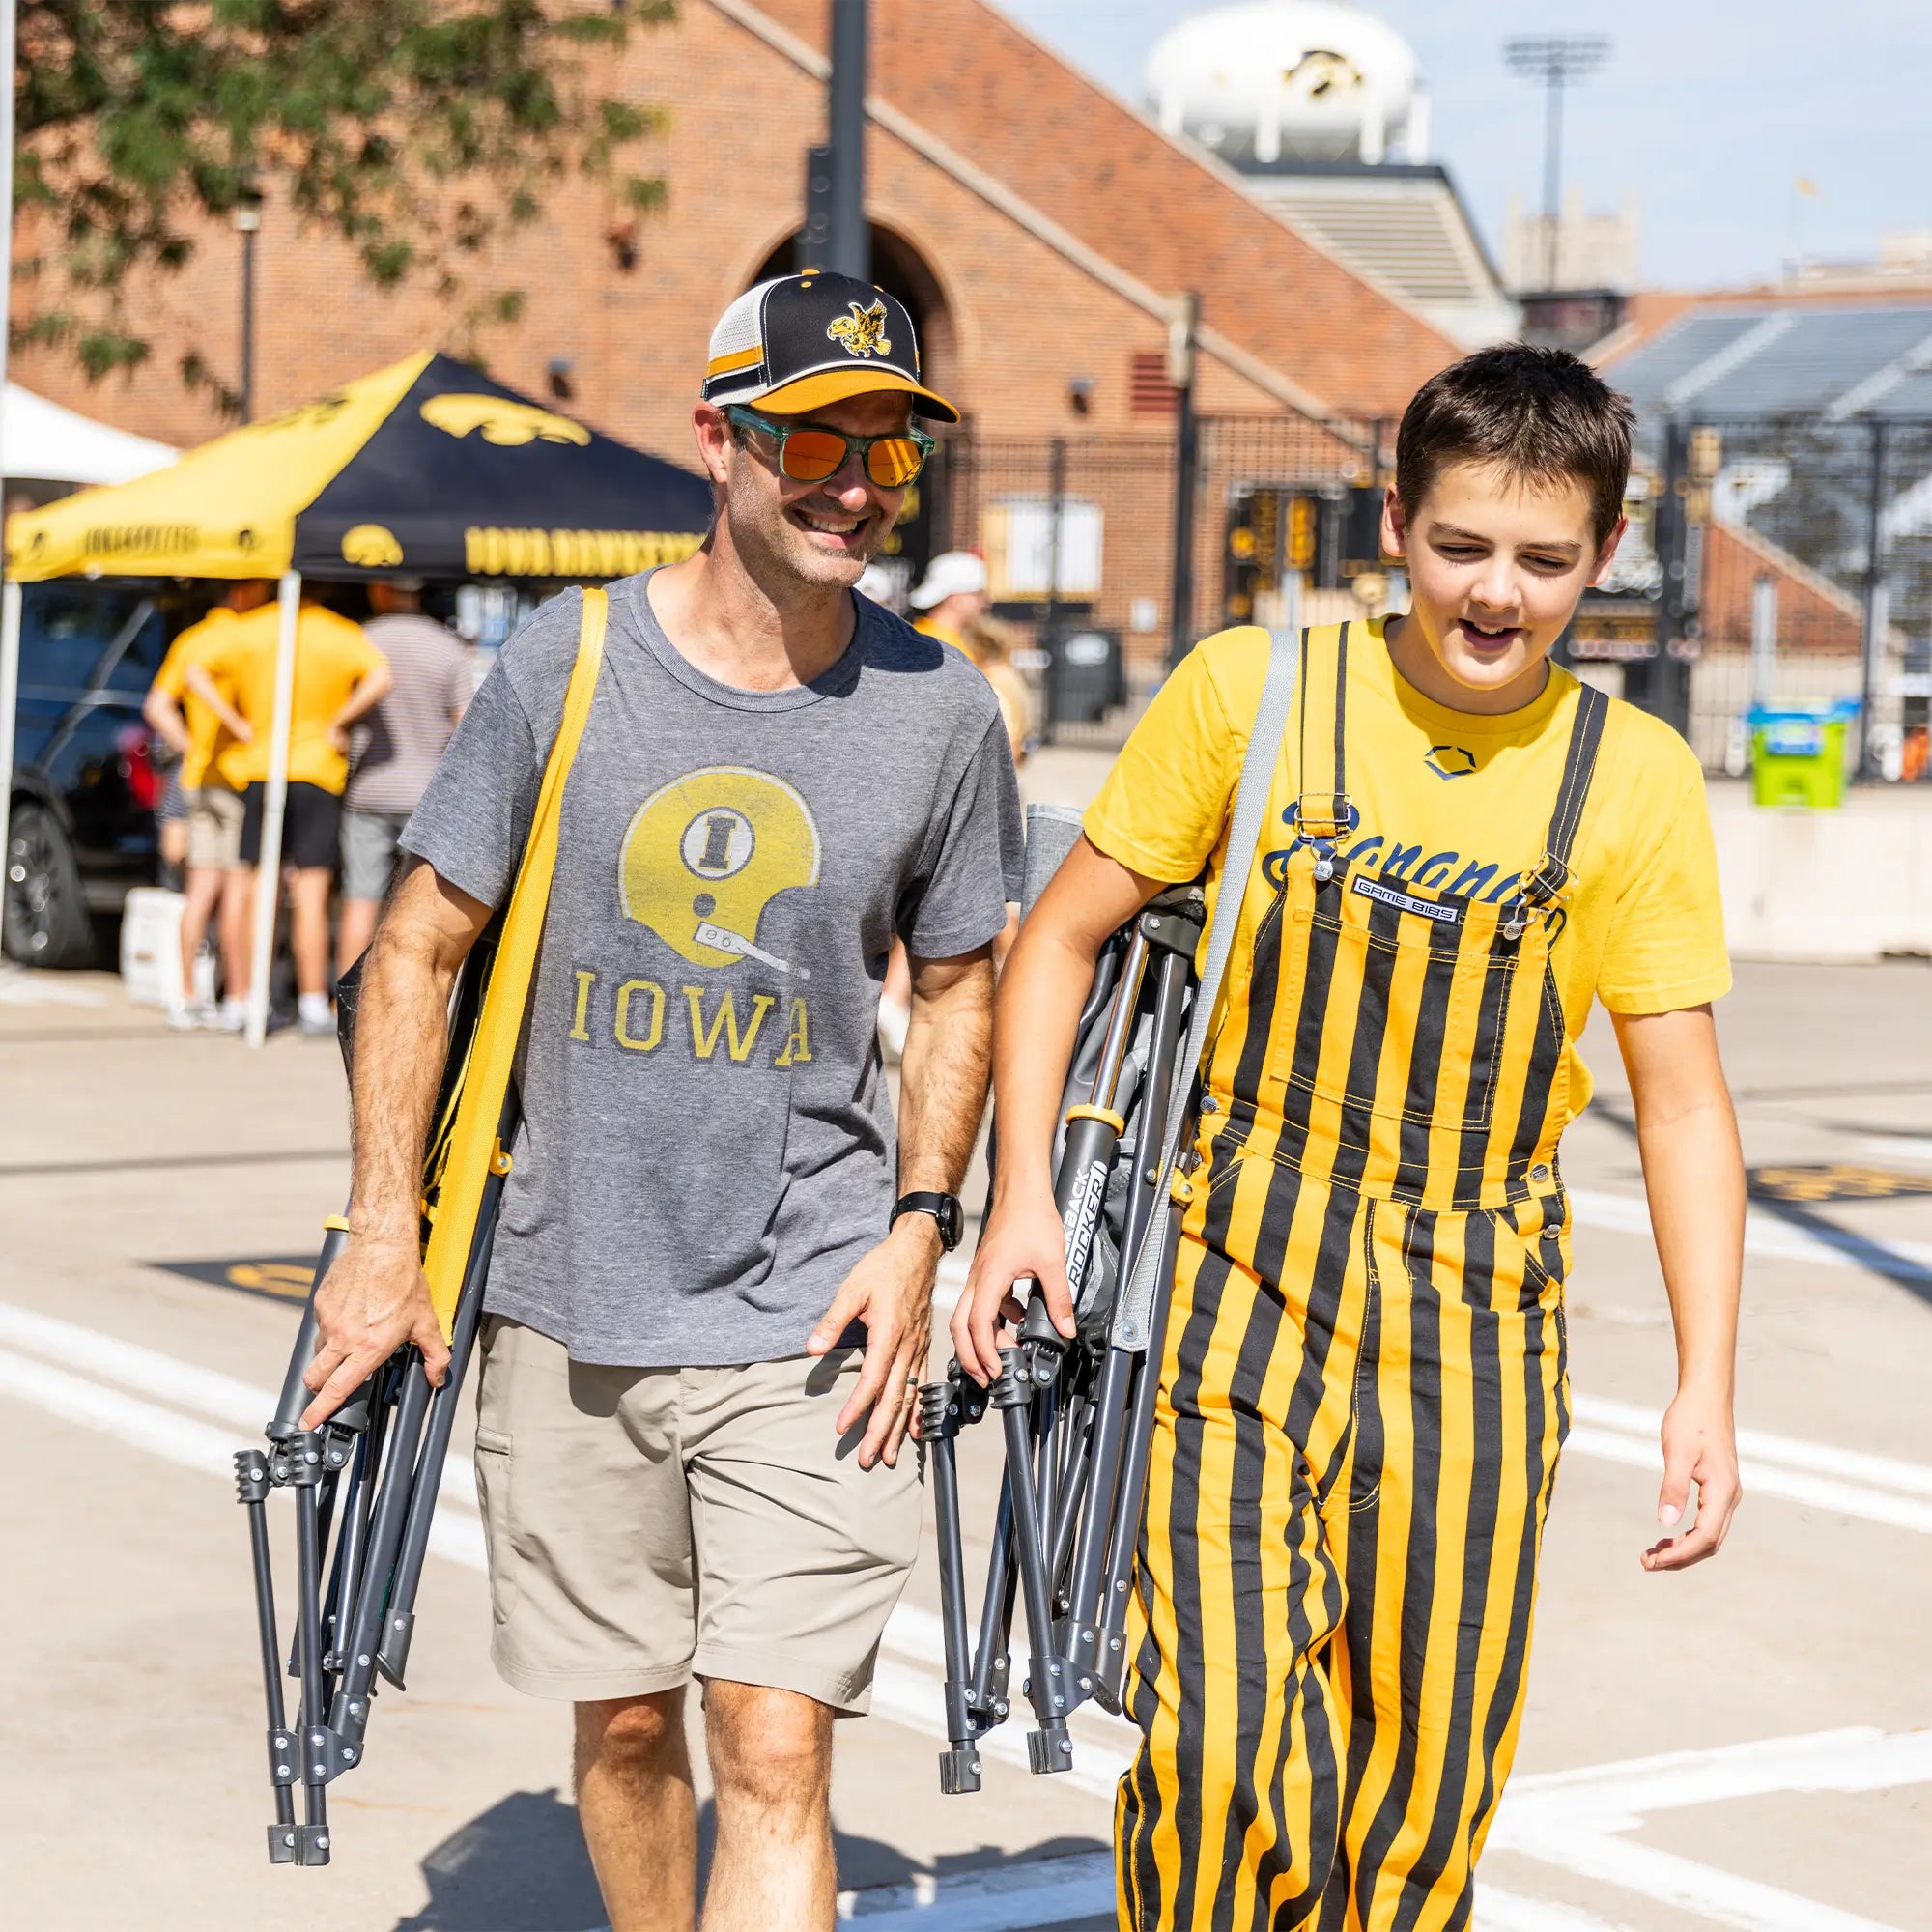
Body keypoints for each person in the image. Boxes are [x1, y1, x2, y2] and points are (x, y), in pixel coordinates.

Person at [957, 344, 1745, 1927]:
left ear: (1602, 556)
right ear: (1393, 523)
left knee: (1425, 1783)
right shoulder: (1256, 690)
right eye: (1461, 545)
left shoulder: (1637, 776)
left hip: (1476, 1319)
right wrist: (1018, 1198)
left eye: (1542, 559)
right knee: (1228, 1756)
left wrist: (1705, 1384)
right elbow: (1055, 943)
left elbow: (1683, 1102)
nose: (1495, 594)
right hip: (1235, 1278)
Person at [296, 270, 1021, 1932]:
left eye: (888, 450)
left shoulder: (937, 710)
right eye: (815, 440)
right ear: (718, 439)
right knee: (626, 1727)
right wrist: (385, 1229)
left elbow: (965, 979)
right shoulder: (573, 660)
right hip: (568, 1297)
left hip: (810, 1308)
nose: (855, 484)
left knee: (775, 1743)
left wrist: (923, 1227)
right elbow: (414, 950)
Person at [188, 593, 391, 1035]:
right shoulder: (339, 632)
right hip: (317, 769)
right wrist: (339, 720)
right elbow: (380, 676)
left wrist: (236, 722)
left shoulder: (254, 628)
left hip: (263, 766)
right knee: (311, 893)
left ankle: (243, 996)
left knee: (253, 886)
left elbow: (195, 673)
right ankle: (313, 999)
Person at [143, 581, 273, 1029]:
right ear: (245, 591)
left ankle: (185, 993)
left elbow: (158, 706)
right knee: (238, 892)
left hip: (198, 778)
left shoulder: (192, 638)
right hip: (238, 777)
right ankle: (238, 996)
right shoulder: (251, 637)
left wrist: (191, 747)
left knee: (200, 891)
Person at [336, 577, 471, 975]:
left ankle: (342, 1004)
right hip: (428, 798)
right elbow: (465, 725)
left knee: (359, 900)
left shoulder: (358, 640)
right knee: (424, 909)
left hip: (367, 792)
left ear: (379, 590)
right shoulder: (447, 646)